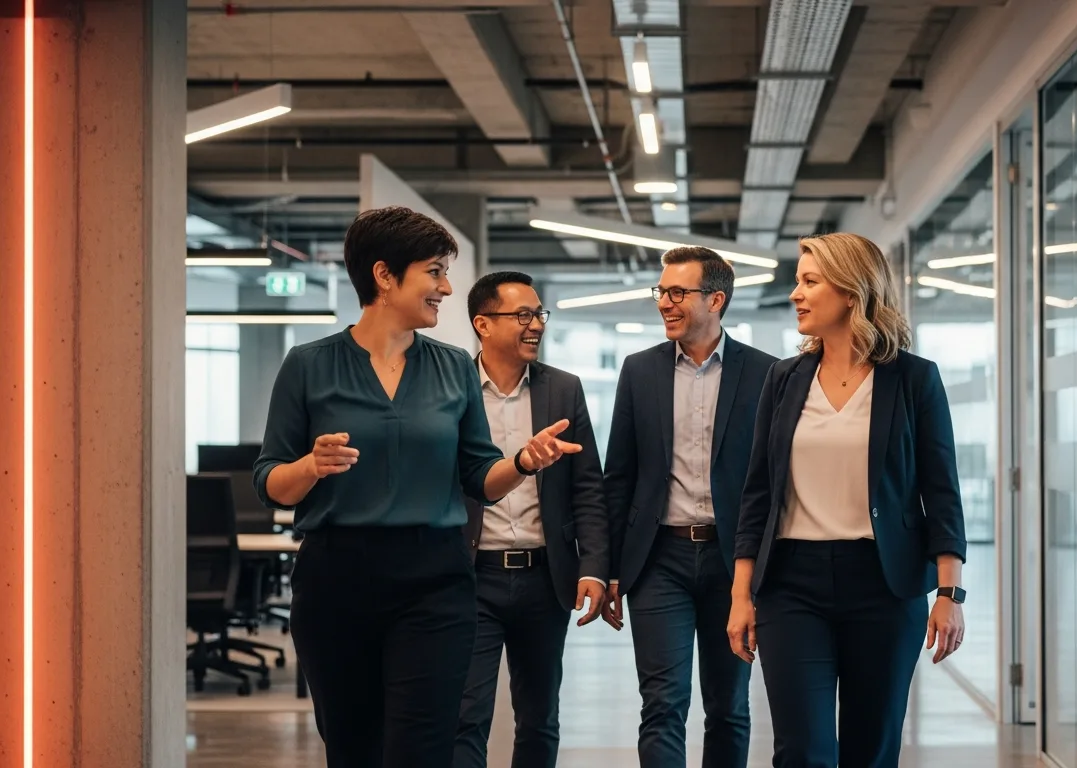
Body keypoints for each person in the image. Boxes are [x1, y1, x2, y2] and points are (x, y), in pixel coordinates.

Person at [253, 207, 581, 768]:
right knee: (353, 746)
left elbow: (481, 476)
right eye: (434, 272)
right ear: (384, 276)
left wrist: (524, 460)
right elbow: (271, 485)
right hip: (336, 579)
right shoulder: (309, 365)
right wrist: (311, 465)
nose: (446, 287)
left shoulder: (452, 367)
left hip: (435, 581)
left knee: (426, 748)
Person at [726, 232, 968, 767]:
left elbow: (941, 493)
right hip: (791, 586)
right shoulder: (783, 379)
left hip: (883, 585)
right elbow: (758, 495)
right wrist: (742, 595)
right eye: (797, 281)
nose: (795, 293)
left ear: (852, 291)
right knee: (802, 749)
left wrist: (951, 594)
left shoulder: (913, 379)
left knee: (872, 748)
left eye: (809, 281)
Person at [602, 246, 778, 767]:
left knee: (728, 707)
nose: (665, 303)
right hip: (660, 560)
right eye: (661, 292)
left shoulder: (767, 373)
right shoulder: (639, 371)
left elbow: (772, 482)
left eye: (678, 292)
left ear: (716, 299)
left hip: (734, 563)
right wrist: (610, 569)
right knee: (662, 704)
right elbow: (621, 476)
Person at [453, 272, 610, 768]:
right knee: (465, 715)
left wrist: (594, 567)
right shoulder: (452, 388)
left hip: (545, 577)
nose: (536, 324)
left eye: (539, 314)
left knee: (540, 716)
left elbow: (588, 486)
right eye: (522, 315)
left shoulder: (562, 390)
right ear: (483, 323)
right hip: (470, 576)